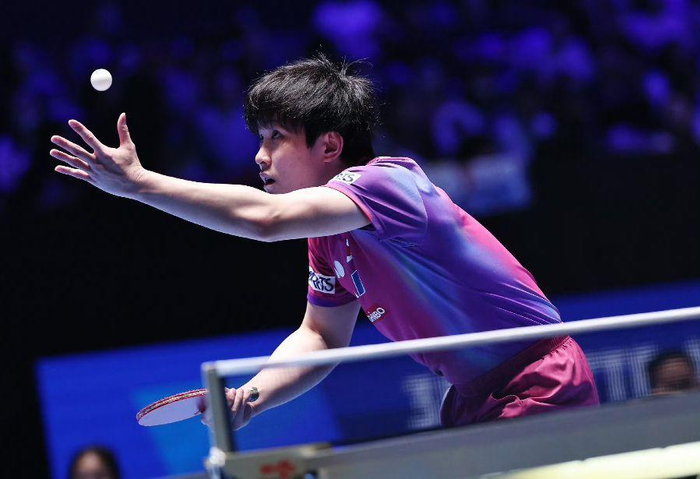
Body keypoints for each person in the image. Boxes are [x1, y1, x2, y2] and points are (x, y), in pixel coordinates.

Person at [49, 54, 599, 431]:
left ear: (330, 145)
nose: (260, 156)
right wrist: (252, 397)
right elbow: (320, 336)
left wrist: (141, 185)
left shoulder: (388, 183)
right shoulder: (327, 237)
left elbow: (265, 219)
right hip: (472, 397)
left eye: (276, 138)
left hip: (537, 380)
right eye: (259, 139)